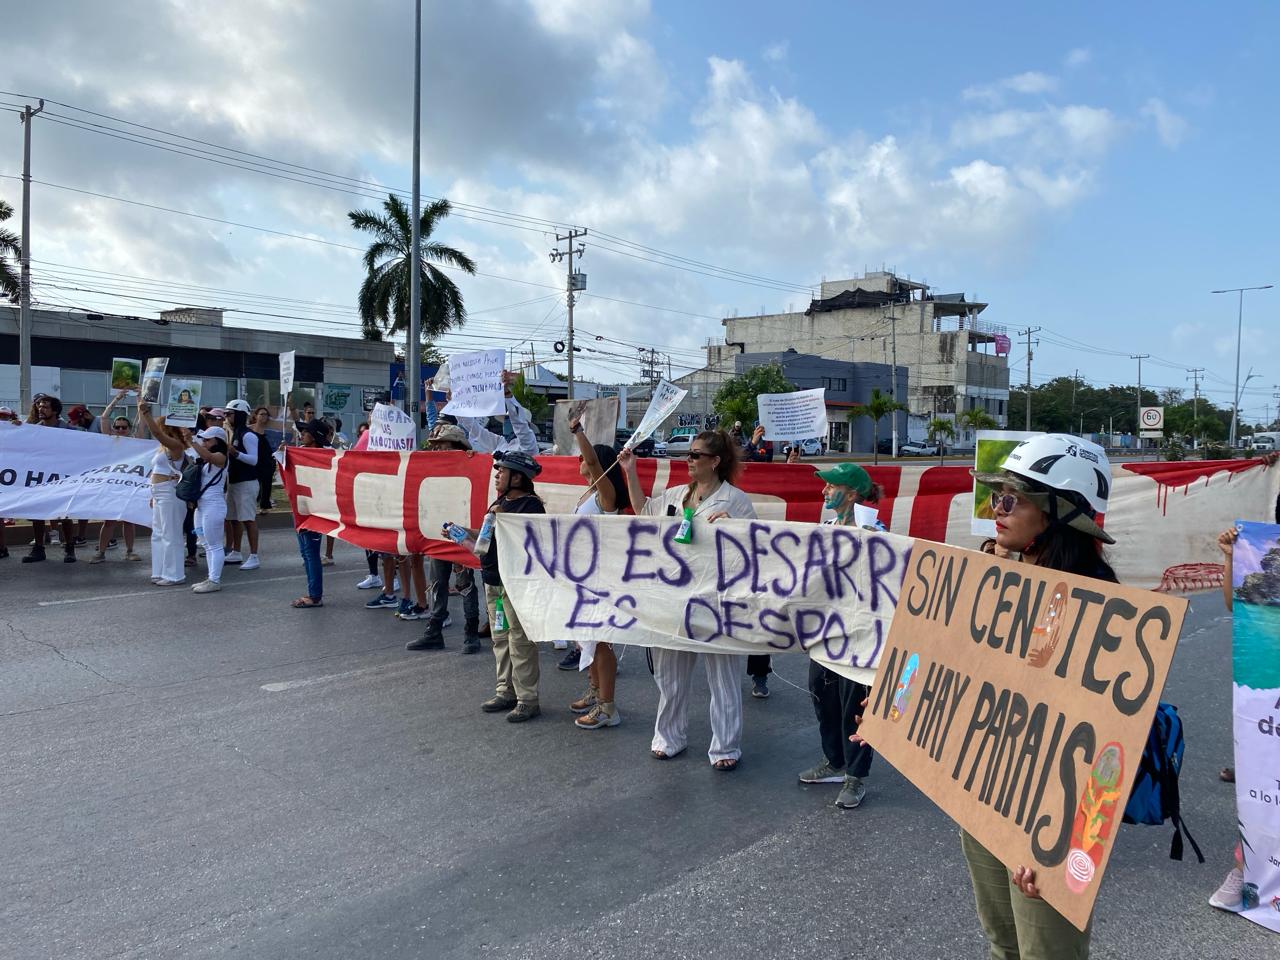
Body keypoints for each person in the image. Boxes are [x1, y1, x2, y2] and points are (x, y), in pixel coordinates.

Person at [959, 432, 1120, 958]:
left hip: (1049, 821)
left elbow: (1096, 738)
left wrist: (1050, 843)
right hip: (985, 793)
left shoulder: (1099, 605)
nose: (995, 509)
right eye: (996, 496)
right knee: (1002, 941)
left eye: (1013, 499)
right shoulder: (997, 573)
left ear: (1058, 513)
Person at [619, 429, 756, 770]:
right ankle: (669, 737)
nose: (689, 460)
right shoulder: (678, 494)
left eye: (696, 455)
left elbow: (754, 545)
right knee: (669, 676)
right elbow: (642, 512)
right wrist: (630, 470)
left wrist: (734, 526)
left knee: (722, 677)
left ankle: (725, 747)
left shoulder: (735, 500)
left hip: (716, 600)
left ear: (715, 461)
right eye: (689, 454)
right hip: (674, 599)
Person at [797, 462, 886, 810]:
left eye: (830, 486)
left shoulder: (875, 531)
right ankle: (834, 761)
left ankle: (856, 776)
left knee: (854, 706)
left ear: (850, 494)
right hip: (827, 633)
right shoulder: (827, 527)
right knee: (822, 696)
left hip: (860, 638)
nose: (823, 491)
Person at [444, 450, 546, 722]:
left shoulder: (531, 506)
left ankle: (527, 698)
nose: (497, 475)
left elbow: (532, 543)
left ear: (518, 477)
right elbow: (486, 537)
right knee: (500, 637)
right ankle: (505, 690)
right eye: (497, 470)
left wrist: (504, 518)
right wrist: (463, 532)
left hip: (517, 584)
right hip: (493, 581)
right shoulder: (498, 503)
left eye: (502, 471)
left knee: (520, 640)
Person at [563, 409, 629, 730]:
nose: (580, 462)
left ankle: (608, 707)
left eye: (583, 458)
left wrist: (578, 431)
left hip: (601, 577)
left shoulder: (606, 496)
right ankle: (594, 690)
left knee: (601, 641)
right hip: (582, 576)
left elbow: (592, 464)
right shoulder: (587, 495)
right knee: (585, 639)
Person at [409, 422, 481, 653]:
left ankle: (471, 634)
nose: (437, 450)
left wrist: (472, 459)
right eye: (435, 446)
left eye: (443, 445)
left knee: (465, 583)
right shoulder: (431, 467)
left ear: (458, 445)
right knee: (439, 584)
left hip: (462, 533)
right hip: (437, 533)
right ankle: (434, 631)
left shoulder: (471, 465)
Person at [137, 400, 189, 585]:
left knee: (171, 534)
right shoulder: (163, 448)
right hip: (159, 492)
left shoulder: (176, 446)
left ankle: (174, 574)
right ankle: (159, 571)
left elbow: (157, 433)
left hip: (170, 492)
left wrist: (145, 414)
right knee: (158, 533)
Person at [22, 394, 78, 563]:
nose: (40, 408)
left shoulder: (69, 430)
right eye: (39, 406)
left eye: (45, 406)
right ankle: (39, 549)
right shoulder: (34, 430)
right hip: (40, 477)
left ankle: (70, 548)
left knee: (65, 514)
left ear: (55, 411)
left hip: (62, 477)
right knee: (37, 513)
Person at [89, 402, 142, 563]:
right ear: (113, 428)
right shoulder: (109, 441)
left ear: (129, 429)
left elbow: (142, 423)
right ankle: (101, 552)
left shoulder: (136, 442)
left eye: (124, 427)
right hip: (112, 486)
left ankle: (130, 551)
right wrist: (117, 398)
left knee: (129, 520)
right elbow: (104, 417)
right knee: (109, 521)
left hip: (129, 486)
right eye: (117, 427)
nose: (120, 430)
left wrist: (140, 400)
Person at [289, 419, 333, 608]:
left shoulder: (321, 457)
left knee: (311, 553)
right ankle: (313, 592)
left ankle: (315, 595)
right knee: (306, 553)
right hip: (302, 508)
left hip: (314, 510)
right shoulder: (303, 454)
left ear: (314, 436)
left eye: (305, 432)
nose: (301, 435)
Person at [187, 423, 229, 593]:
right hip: (202, 505)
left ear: (217, 441)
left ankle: (215, 580)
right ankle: (212, 577)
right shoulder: (207, 458)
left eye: (207, 440)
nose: (204, 442)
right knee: (205, 543)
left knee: (215, 544)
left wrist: (191, 441)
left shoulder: (221, 457)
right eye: (203, 440)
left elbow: (209, 456)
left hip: (214, 505)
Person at [221, 399, 261, 571]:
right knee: (233, 519)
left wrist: (235, 453)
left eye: (229, 414)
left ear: (238, 415)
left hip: (247, 482)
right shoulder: (236, 433)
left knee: (248, 519)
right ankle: (236, 551)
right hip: (235, 482)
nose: (226, 417)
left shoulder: (248, 435)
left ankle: (254, 555)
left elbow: (254, 460)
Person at [250, 406, 277, 511]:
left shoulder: (269, 431)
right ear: (256, 416)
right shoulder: (250, 429)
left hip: (267, 461)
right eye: (261, 414)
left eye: (266, 414)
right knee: (254, 485)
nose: (264, 417)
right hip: (254, 460)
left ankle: (264, 506)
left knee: (266, 484)